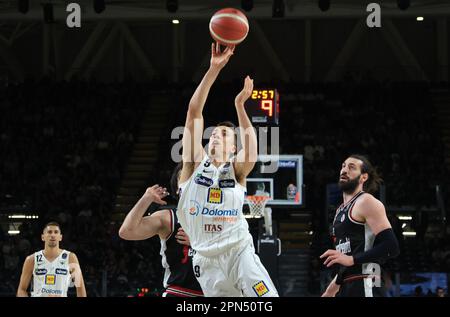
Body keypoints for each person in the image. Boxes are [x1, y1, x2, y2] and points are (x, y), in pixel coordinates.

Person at [176, 42, 278, 297]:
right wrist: (213, 69)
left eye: (224, 134)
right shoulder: (193, 165)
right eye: (214, 134)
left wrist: (240, 106)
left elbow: (252, 152)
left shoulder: (237, 170)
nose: (216, 136)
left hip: (238, 251)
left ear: (234, 147)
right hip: (205, 260)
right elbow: (193, 113)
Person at [119, 164, 203, 297]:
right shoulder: (169, 216)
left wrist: (199, 242)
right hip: (179, 292)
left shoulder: (221, 217)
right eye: (185, 178)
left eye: (194, 177)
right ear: (177, 189)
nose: (190, 182)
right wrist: (146, 199)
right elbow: (127, 231)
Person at [320, 155, 400, 297]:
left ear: (363, 177)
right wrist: (334, 286)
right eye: (343, 166)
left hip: (367, 282)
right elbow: (347, 257)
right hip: (348, 285)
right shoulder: (339, 211)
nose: (344, 170)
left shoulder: (366, 202)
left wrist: (352, 260)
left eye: (351, 168)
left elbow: (391, 247)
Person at [17, 222, 86, 297]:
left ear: (60, 237)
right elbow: (21, 290)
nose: (53, 235)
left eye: (56, 232)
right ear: (43, 237)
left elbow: (80, 288)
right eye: (49, 232)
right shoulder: (31, 259)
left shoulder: (71, 257)